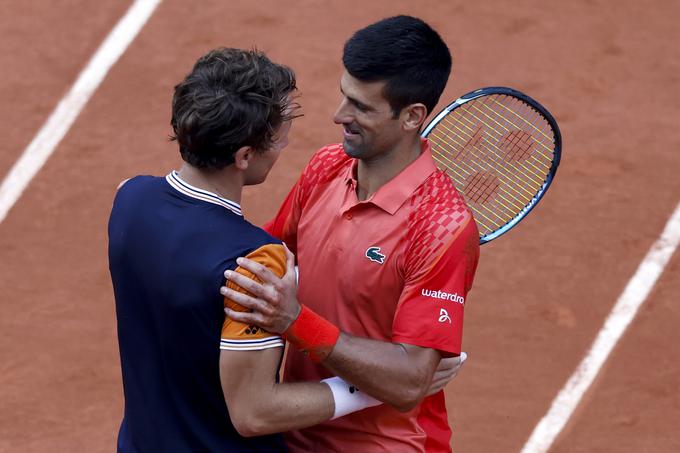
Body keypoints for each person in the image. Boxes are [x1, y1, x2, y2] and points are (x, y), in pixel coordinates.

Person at [222, 15, 480, 453]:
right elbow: (265, 254)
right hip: (295, 427)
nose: (339, 115)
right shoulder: (326, 166)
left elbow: (409, 383)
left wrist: (295, 321)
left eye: (361, 106)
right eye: (345, 96)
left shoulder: (441, 227)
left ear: (412, 116)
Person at [108, 47, 383, 453]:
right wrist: (370, 389)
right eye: (278, 134)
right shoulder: (255, 261)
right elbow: (255, 412)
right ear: (244, 156)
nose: (285, 141)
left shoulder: (128, 198)